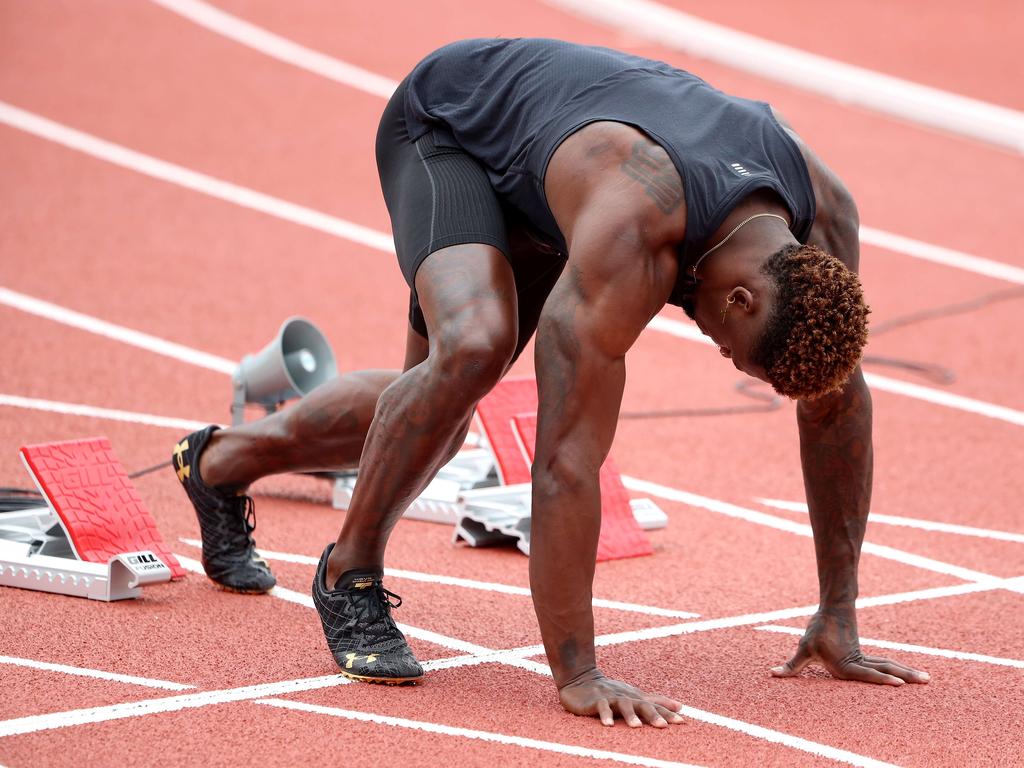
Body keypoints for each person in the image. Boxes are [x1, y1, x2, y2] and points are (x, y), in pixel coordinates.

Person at [171, 38, 929, 728]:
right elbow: (566, 460)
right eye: (742, 357)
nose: (727, 360)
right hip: (453, 128)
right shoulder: (637, 231)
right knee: (472, 351)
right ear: (741, 299)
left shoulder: (822, 229)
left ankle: (217, 464)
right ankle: (349, 575)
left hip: (559, 173)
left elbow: (836, 404)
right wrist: (580, 671)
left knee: (433, 414)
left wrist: (839, 607)